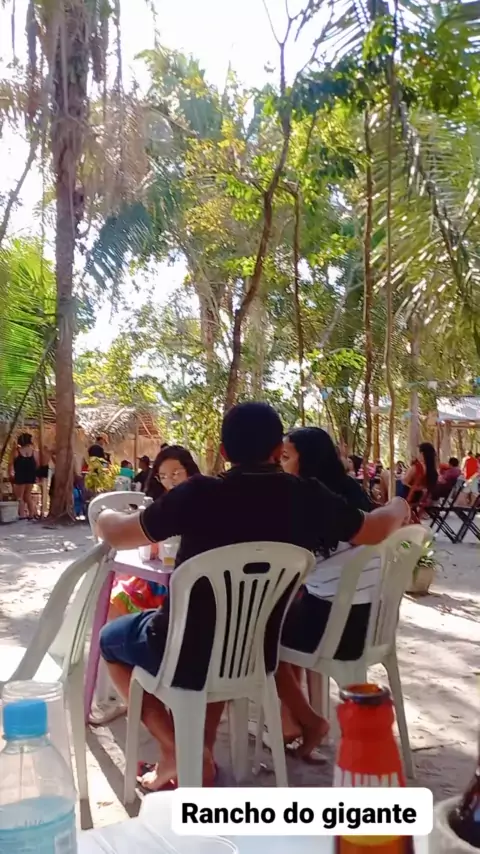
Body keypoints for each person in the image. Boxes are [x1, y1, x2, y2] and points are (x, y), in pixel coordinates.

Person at [96, 402, 410, 792]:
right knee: (222, 637)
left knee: (110, 639)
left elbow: (119, 534)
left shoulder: (197, 493)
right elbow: (375, 529)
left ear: (224, 452)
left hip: (184, 650)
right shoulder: (307, 496)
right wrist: (399, 503)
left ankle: (178, 750)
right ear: (278, 450)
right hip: (254, 653)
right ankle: (198, 752)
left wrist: (103, 517)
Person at [279, 427, 374, 756]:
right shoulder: (352, 493)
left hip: (336, 628)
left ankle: (299, 721)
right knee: (288, 616)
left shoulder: (312, 502)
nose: (280, 464)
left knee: (259, 637)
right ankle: (293, 718)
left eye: (285, 457)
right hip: (368, 623)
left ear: (308, 461)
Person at [109, 446, 200, 620]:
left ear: (189, 470)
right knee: (116, 593)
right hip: (159, 572)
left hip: (185, 581)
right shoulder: (160, 504)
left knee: (122, 596)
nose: (170, 481)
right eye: (163, 476)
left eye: (176, 474)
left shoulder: (199, 500)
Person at [9, 433, 39, 519]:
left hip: (20, 475)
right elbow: (37, 465)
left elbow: (10, 464)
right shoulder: (34, 452)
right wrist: (36, 475)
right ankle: (31, 514)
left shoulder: (16, 452)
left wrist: (10, 474)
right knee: (27, 495)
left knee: (20, 497)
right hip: (30, 476)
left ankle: (22, 515)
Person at [401, 442, 438, 507]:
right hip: (420, 499)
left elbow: (404, 481)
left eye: (418, 452)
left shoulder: (417, 467)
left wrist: (402, 476)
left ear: (422, 453)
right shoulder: (433, 470)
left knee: (386, 476)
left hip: (408, 498)